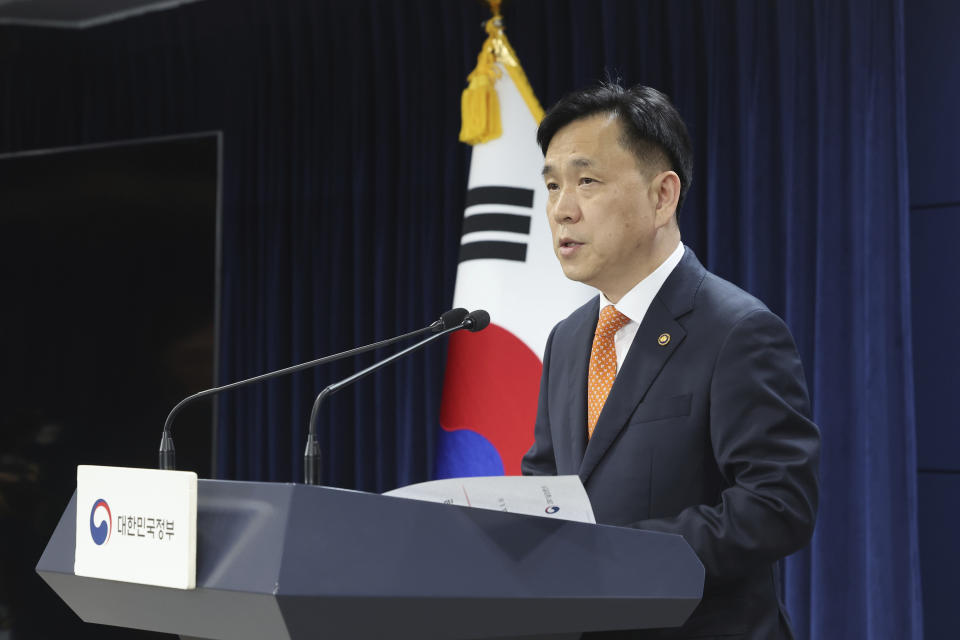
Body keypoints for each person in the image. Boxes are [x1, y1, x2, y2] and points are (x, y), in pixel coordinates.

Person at [521, 83, 821, 639]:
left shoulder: (737, 329)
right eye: (553, 185)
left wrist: (613, 556)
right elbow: (548, 479)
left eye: (587, 181)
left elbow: (778, 504)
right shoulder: (567, 339)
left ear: (662, 196)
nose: (562, 209)